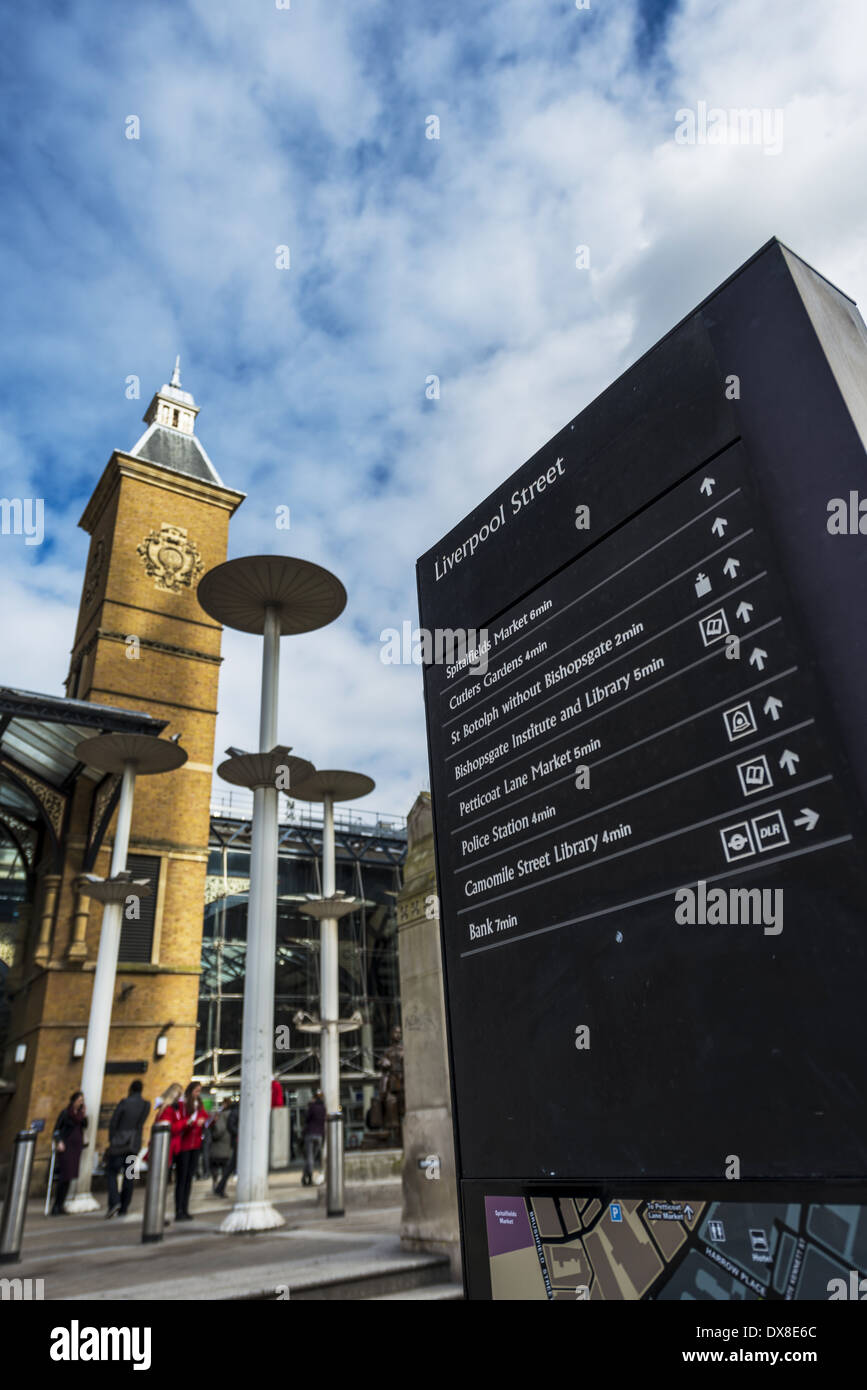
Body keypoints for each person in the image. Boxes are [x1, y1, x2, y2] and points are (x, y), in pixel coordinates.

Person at [106, 1080, 149, 1218]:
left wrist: (112, 1139)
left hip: (118, 1145)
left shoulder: (124, 1102)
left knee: (111, 1172)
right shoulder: (145, 1105)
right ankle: (124, 1207)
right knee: (129, 1175)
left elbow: (114, 1122)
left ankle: (114, 1201)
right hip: (133, 1147)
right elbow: (140, 1124)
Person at [170, 1081, 208, 1220]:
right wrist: (190, 1122)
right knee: (182, 1178)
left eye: (199, 1091)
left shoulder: (199, 1104)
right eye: (196, 1091)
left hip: (195, 1145)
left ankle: (184, 1209)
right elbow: (178, 1125)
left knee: (188, 1179)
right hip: (184, 1146)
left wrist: (206, 1121)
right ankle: (178, 1210)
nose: (198, 1094)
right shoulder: (182, 1106)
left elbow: (204, 1117)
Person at [51, 1091, 87, 1215]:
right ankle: (56, 1206)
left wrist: (84, 1114)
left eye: (82, 1100)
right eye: (79, 1100)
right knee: (64, 1176)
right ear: (73, 1100)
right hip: (66, 1147)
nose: (81, 1102)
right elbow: (57, 1129)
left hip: (76, 1148)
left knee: (69, 1177)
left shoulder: (81, 1115)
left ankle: (61, 1205)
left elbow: (84, 1126)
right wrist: (59, 1141)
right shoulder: (66, 1113)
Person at [214, 1098, 239, 1198]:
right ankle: (220, 1187)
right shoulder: (235, 1111)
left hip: (235, 1142)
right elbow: (230, 1126)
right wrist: (239, 1132)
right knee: (230, 1166)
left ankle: (220, 1187)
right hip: (236, 1142)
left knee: (231, 1166)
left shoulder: (234, 1111)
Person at [301, 1090, 325, 1187]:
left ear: (315, 1098)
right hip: (319, 1135)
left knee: (309, 1158)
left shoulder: (312, 1107)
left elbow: (307, 1119)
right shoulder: (323, 1108)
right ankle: (305, 1177)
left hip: (310, 1134)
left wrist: (310, 1105)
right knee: (312, 1158)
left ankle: (308, 1177)